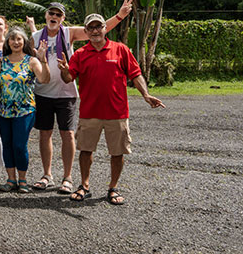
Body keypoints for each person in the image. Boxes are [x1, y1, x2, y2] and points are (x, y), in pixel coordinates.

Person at [28, 0, 135, 194]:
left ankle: (67, 178)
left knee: (67, 134)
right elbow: (21, 56)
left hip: (65, 92)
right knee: (45, 134)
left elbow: (98, 30)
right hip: (42, 91)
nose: (54, 17)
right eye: (51, 13)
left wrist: (120, 16)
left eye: (58, 14)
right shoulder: (35, 37)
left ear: (63, 18)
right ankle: (46, 174)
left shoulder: (68, 33)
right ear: (46, 15)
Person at [57, 13, 165, 205]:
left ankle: (113, 187)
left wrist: (146, 95)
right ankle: (84, 185)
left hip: (117, 112)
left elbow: (136, 74)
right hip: (90, 112)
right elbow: (68, 78)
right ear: (86, 31)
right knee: (85, 150)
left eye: (99, 26)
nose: (95, 31)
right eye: (91, 28)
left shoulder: (120, 50)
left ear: (105, 29)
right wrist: (64, 69)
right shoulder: (80, 54)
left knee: (117, 152)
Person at [0, 28, 50, 193]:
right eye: (12, 39)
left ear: (24, 42)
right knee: (7, 144)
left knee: (19, 145)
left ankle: (23, 179)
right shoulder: (1, 61)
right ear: (7, 42)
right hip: (3, 109)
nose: (15, 42)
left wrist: (43, 60)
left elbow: (44, 80)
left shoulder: (31, 61)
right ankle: (11, 179)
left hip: (25, 110)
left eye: (19, 39)